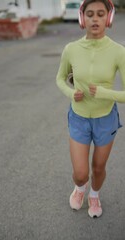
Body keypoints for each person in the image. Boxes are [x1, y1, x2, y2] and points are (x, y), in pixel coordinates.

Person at [56, 0, 125, 218]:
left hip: (106, 119)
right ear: (82, 18)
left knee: (97, 168)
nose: (95, 19)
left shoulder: (118, 52)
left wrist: (105, 93)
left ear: (109, 18)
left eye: (100, 14)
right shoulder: (71, 49)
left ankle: (94, 194)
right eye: (90, 14)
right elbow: (59, 78)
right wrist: (70, 93)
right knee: (80, 173)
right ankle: (80, 188)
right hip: (79, 117)